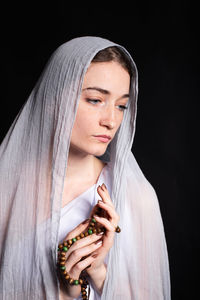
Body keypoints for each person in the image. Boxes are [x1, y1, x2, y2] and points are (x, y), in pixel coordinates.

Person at [0, 36, 171, 300]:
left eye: (122, 105)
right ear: (52, 100)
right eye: (95, 100)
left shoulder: (136, 197)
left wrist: (97, 274)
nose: (111, 120)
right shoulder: (7, 186)